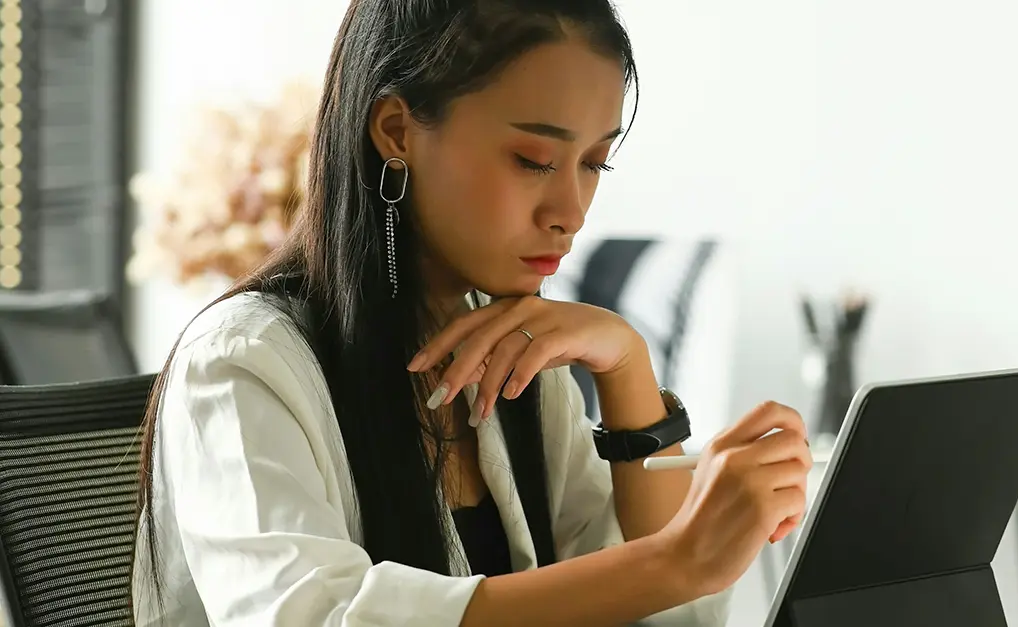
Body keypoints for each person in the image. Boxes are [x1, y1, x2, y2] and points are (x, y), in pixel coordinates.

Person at [131, 1, 813, 625]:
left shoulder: (521, 359)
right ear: (397, 131)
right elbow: (313, 616)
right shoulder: (240, 363)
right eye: (533, 159)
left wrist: (628, 364)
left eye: (595, 164)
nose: (570, 213)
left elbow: (663, 614)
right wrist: (678, 561)